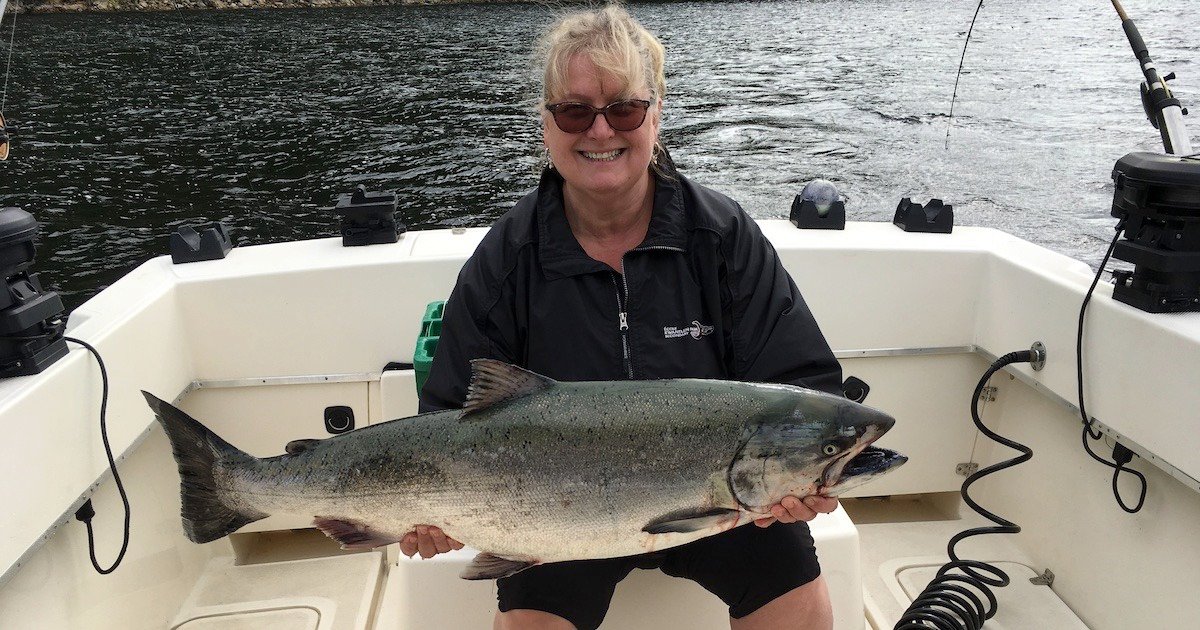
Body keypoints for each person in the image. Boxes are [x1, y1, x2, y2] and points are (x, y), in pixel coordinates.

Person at [413, 4, 843, 629]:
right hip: (553, 509)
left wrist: (803, 479)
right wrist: (431, 511)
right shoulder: (507, 259)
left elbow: (803, 387)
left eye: (623, 109)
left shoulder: (721, 238)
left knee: (799, 610)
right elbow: (446, 417)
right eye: (574, 111)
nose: (599, 131)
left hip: (720, 501)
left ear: (655, 114)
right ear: (546, 123)